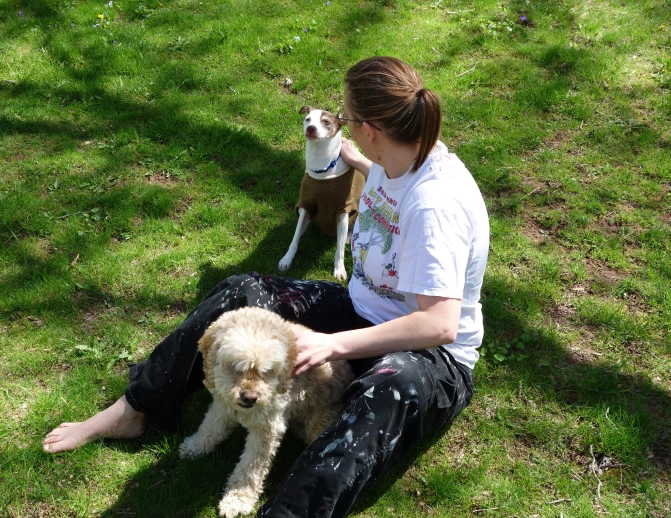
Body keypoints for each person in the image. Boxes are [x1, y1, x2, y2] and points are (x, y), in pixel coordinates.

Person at [43, 56, 489, 518]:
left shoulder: (435, 205)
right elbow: (363, 166)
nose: (346, 127)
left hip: (430, 357)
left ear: (370, 128)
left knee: (388, 387)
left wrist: (332, 344)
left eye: (348, 118)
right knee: (244, 290)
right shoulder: (395, 153)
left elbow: (439, 324)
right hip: (362, 309)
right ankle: (135, 409)